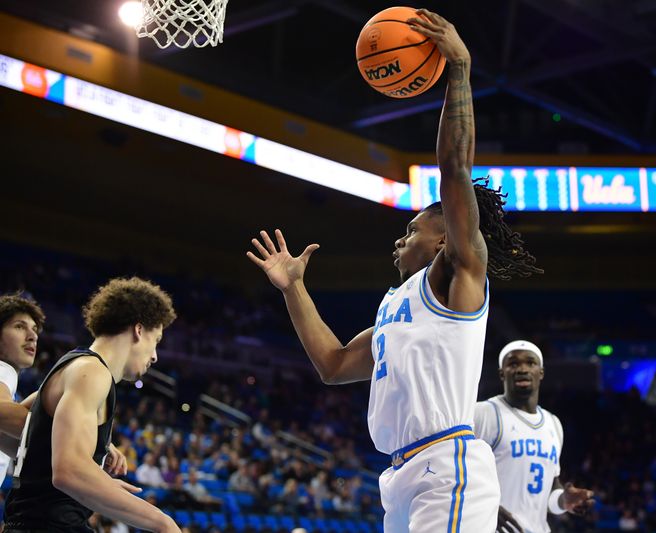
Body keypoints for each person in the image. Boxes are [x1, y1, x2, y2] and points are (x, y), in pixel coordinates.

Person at [247, 9, 542, 533]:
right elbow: (334, 366)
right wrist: (294, 288)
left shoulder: (457, 280)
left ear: (446, 239)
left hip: (447, 466)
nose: (400, 239)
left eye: (413, 230)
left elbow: (455, 169)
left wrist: (459, 71)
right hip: (400, 474)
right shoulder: (394, 307)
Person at [4, 277, 181, 533]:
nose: (155, 355)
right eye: (157, 340)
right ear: (139, 330)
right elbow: (68, 472)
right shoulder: (92, 372)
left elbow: (35, 441)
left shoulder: (74, 366)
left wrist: (100, 481)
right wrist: (162, 522)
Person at [474, 341, 594, 533]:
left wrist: (564, 500)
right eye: (513, 364)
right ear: (501, 373)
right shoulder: (483, 413)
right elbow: (453, 468)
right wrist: (482, 507)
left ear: (541, 373)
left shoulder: (553, 423)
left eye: (530, 363)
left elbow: (547, 495)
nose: (522, 369)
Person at [0, 294, 46, 483]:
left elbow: (17, 447)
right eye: (19, 326)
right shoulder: (4, 370)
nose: (33, 336)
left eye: (34, 330)